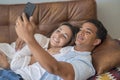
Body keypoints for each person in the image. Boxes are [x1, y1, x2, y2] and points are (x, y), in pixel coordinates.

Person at [0, 13, 107, 80]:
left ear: (96, 41)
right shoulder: (66, 48)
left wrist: (29, 38)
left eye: (87, 32)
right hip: (11, 73)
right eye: (80, 29)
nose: (81, 33)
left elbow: (56, 68)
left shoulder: (85, 64)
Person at [0, 21, 79, 70]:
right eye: (58, 31)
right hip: (3, 52)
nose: (58, 36)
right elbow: (15, 63)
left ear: (68, 43)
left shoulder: (61, 54)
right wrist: (46, 54)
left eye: (64, 36)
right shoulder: (39, 39)